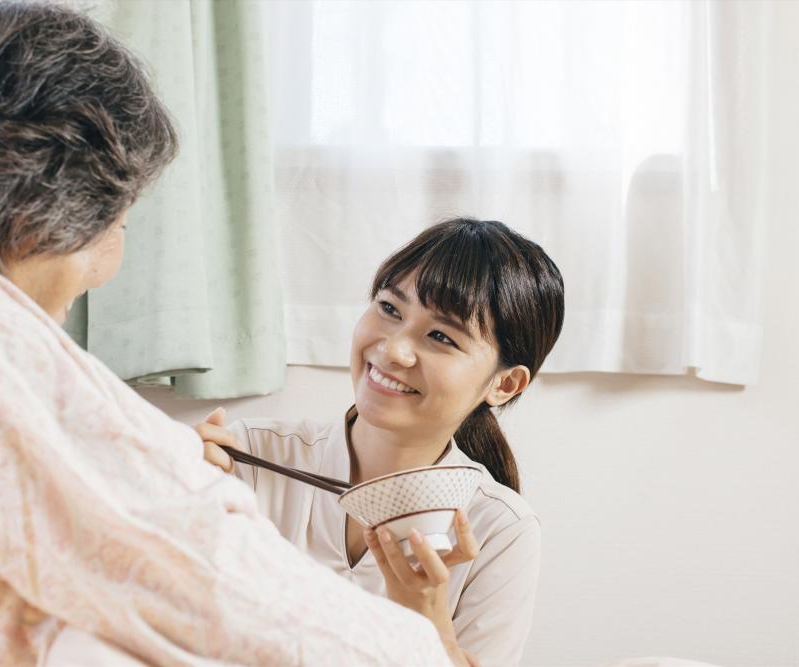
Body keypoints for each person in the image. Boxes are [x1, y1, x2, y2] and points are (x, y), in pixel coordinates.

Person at [0, 3, 464, 665]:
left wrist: (160, 458)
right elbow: (203, 572)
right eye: (118, 224)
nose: (107, 267)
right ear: (36, 218)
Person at [197, 218, 565, 667]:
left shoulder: (500, 529)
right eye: (390, 309)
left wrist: (427, 619)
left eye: (441, 336)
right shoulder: (248, 455)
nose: (393, 350)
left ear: (505, 383)